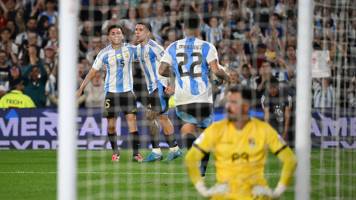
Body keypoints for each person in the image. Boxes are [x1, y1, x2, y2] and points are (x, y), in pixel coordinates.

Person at [185, 86, 297, 199]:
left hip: (256, 195)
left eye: (233, 102)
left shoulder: (264, 129)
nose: (228, 106)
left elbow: (290, 160)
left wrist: (278, 191)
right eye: (228, 102)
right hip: (224, 196)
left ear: (246, 106)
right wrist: (203, 190)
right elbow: (191, 158)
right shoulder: (215, 129)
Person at [158, 9, 229, 175]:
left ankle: (194, 158)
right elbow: (216, 70)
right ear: (199, 28)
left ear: (183, 27)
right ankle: (202, 169)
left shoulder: (173, 47)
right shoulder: (207, 46)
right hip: (203, 97)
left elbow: (161, 70)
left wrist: (177, 74)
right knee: (205, 132)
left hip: (183, 98)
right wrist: (227, 77)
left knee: (188, 128)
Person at [77, 25, 143, 162]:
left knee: (132, 121)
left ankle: (136, 154)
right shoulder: (104, 53)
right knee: (111, 126)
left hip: (127, 92)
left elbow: (146, 54)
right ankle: (115, 152)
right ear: (109, 37)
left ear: (122, 35)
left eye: (118, 33)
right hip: (111, 94)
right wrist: (81, 88)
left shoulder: (130, 49)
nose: (116, 35)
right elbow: (93, 71)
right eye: (113, 33)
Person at [134, 22, 182, 162]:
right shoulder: (138, 49)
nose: (137, 32)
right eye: (136, 30)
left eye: (141, 30)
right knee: (163, 118)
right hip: (151, 88)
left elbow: (171, 65)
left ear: (148, 33)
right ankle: (174, 149)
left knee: (150, 116)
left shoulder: (156, 48)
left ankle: (156, 151)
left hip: (160, 86)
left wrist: (171, 85)